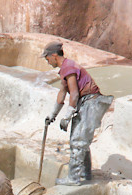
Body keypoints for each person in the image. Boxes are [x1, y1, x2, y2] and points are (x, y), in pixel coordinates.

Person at [42, 41, 114, 186]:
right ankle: (85, 173)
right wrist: (52, 115)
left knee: (78, 141)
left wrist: (67, 116)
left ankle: (73, 178)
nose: (47, 61)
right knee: (81, 140)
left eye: (47, 58)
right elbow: (62, 94)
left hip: (91, 102)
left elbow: (74, 94)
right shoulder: (65, 69)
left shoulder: (69, 67)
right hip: (87, 103)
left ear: (54, 55)